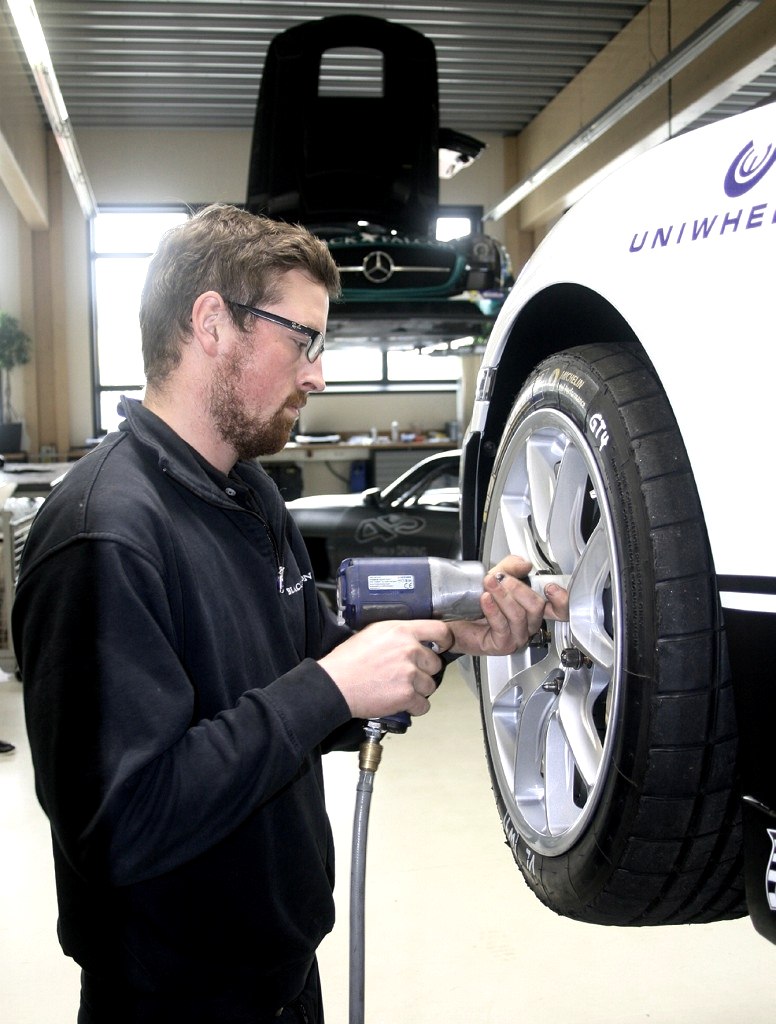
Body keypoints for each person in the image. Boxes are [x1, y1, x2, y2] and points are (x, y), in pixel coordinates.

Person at [12, 204, 566, 1024]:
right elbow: (122, 826)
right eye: (303, 339)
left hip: (284, 974)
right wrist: (330, 688)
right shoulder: (103, 535)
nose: (318, 375)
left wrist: (455, 634)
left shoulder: (250, 495)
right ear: (212, 323)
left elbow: (311, 667)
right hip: (175, 1003)